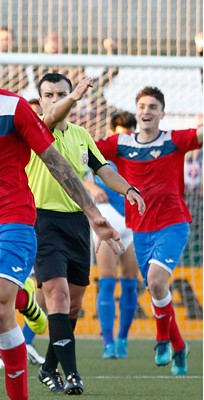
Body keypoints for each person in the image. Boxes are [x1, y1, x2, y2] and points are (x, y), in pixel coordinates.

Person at [0, 31, 122, 400]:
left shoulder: (13, 107)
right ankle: (26, 301)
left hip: (12, 220)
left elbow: (56, 162)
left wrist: (93, 213)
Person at [27, 73, 145, 395]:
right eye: (49, 94)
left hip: (78, 223)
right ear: (40, 101)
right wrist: (74, 97)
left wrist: (128, 189)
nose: (55, 99)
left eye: (61, 93)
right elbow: (51, 119)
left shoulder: (81, 135)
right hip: (43, 222)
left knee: (73, 306)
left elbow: (104, 169)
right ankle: (73, 375)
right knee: (59, 297)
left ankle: (49, 367)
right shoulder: (36, 129)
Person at [96, 86, 203, 376]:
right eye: (142, 106)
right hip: (140, 229)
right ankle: (179, 345)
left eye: (153, 106)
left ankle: (161, 340)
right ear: (137, 110)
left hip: (173, 223)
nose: (146, 111)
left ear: (161, 113)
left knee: (156, 281)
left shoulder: (174, 140)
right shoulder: (121, 143)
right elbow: (85, 151)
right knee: (158, 290)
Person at [82, 111, 140, 359]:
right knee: (107, 279)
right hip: (107, 221)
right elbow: (73, 173)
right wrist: (91, 186)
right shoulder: (100, 151)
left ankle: (123, 339)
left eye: (128, 132)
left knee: (129, 283)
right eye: (120, 133)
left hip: (132, 224)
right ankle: (107, 341)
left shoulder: (140, 155)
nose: (124, 137)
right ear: (112, 131)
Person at [0, 27, 30, 95]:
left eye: (7, 39)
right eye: (2, 40)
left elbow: (25, 83)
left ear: (13, 42)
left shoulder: (19, 63)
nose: (5, 43)